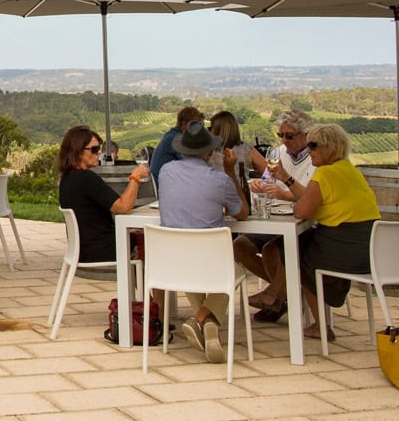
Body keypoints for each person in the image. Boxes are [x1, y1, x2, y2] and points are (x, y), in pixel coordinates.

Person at [274, 123, 380, 341]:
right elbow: (320, 200)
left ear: (330, 149)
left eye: (313, 146)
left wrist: (293, 199)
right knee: (296, 245)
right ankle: (277, 294)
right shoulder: (351, 171)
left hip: (340, 252)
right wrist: (288, 180)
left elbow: (302, 210)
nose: (308, 151)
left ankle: (317, 322)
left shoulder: (325, 174)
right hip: (367, 254)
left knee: (292, 253)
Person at [158, 120, 249, 364]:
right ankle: (203, 319)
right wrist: (231, 171)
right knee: (235, 270)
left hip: (172, 261)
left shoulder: (166, 171)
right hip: (208, 261)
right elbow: (242, 213)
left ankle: (206, 324)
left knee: (193, 264)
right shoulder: (219, 180)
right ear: (209, 152)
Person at [233, 109, 317, 323]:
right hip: (277, 215)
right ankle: (283, 294)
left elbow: (312, 196)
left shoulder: (316, 158)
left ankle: (277, 296)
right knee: (240, 245)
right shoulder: (277, 153)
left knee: (272, 250)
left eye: (289, 135)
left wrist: (285, 194)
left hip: (304, 221)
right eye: (281, 135)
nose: (284, 140)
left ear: (305, 134)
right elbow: (268, 180)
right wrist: (261, 185)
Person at [56, 124, 148, 263]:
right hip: (100, 250)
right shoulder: (86, 178)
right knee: (154, 240)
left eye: (98, 148)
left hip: (82, 250)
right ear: (79, 152)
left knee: (139, 236)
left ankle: (142, 283)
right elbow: (124, 207)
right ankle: (155, 283)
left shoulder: (67, 178)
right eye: (94, 149)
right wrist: (135, 176)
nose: (99, 153)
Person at [149, 105, 204, 183]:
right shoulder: (176, 139)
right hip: (162, 186)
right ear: (184, 123)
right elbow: (193, 164)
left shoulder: (172, 134)